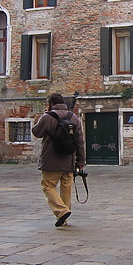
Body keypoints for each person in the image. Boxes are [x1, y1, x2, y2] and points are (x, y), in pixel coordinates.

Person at [32, 93, 86, 227]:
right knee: (66, 189)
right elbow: (80, 141)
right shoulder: (73, 117)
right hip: (69, 160)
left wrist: (42, 117)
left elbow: (36, 132)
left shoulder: (47, 117)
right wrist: (80, 161)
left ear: (51, 104)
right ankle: (63, 217)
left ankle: (62, 212)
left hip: (51, 160)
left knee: (48, 186)